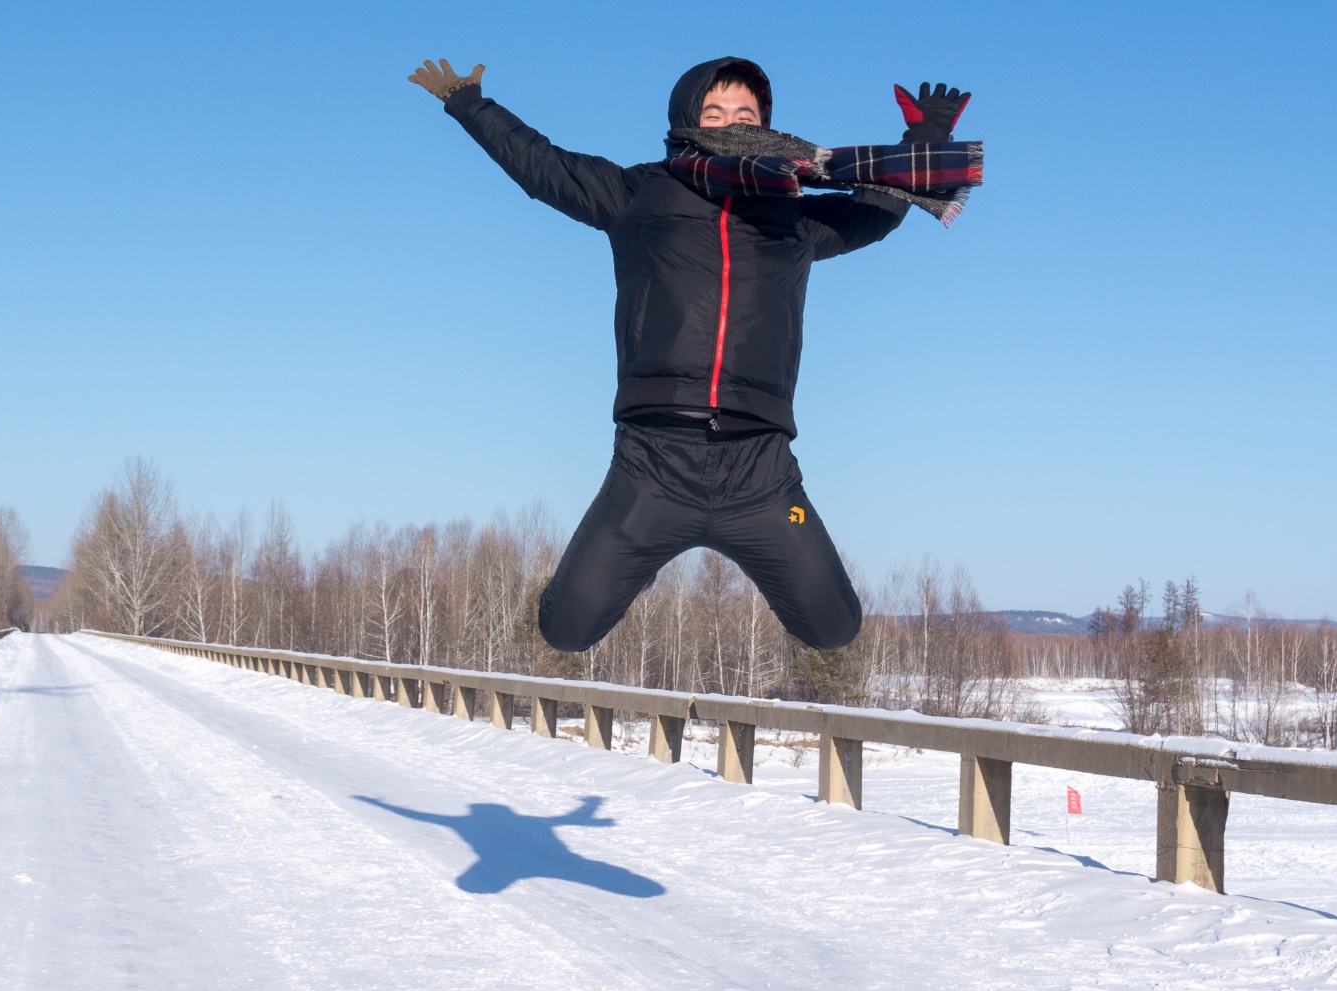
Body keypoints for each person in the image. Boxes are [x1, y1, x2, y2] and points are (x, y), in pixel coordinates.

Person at [409, 56, 980, 653]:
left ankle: (683, 546)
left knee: (835, 628)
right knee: (566, 629)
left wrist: (924, 138)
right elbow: (543, 166)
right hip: (653, 468)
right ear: (687, 117)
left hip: (762, 477)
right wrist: (471, 104)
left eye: (745, 112)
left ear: (765, 123)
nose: (730, 120)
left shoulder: (793, 219)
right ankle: (645, 551)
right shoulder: (637, 193)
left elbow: (878, 206)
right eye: (714, 110)